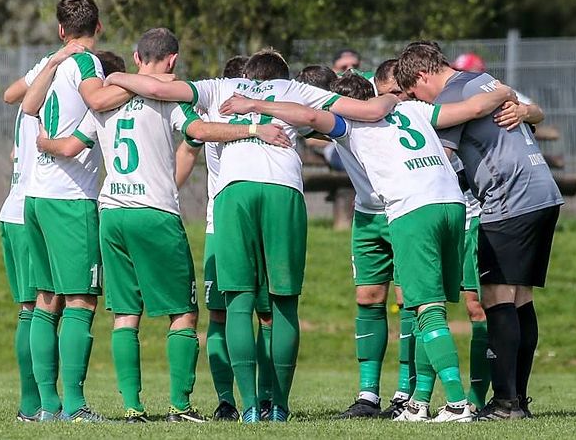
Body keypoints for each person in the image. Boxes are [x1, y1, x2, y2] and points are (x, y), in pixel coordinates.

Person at [106, 48, 400, 422]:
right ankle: (278, 406)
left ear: (248, 75)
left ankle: (245, 407)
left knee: (237, 304)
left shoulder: (221, 86)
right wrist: (393, 98)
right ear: (282, 74)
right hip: (282, 188)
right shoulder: (295, 89)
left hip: (232, 193)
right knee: (283, 303)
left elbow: (159, 90)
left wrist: (115, 77)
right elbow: (362, 112)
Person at [218, 70, 516, 423]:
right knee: (428, 304)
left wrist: (253, 104)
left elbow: (311, 116)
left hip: (411, 208)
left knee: (425, 307)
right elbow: (473, 108)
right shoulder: (413, 108)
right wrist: (505, 91)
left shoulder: (350, 124)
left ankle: (455, 404)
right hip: (453, 203)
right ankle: (417, 402)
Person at [38, 29, 290, 423]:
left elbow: (70, 146)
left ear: (137, 57)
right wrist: (254, 130)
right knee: (184, 313)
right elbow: (199, 131)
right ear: (172, 60)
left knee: (125, 314)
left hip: (112, 213)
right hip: (154, 212)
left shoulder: (103, 100)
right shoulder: (166, 98)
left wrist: (43, 143)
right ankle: (179, 407)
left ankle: (132, 408)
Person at [395, 42, 564, 420]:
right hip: (543, 192)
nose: (419, 102)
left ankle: (505, 403)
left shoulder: (451, 98)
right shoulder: (481, 80)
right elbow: (531, 109)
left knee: (496, 298)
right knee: (520, 299)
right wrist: (523, 107)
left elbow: (440, 158)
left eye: (414, 94)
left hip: (509, 198)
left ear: (422, 78)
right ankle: (517, 401)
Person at [18, 0, 133, 422]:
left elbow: (27, 106)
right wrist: (139, 84)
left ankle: (47, 407)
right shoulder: (87, 63)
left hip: (36, 196)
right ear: (98, 27)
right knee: (81, 302)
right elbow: (98, 101)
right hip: (70, 199)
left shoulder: (56, 62)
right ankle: (75, 406)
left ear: (61, 30)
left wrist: (52, 60)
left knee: (46, 300)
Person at [173, 54, 278, 421]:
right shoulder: (228, 115)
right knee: (256, 314)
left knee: (232, 314)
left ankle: (239, 401)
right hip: (231, 222)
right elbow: (189, 147)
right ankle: (250, 399)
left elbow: (188, 147)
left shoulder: (224, 113)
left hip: (227, 224)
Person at [0, 43, 85, 421]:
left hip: (13, 210)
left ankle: (33, 405)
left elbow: (10, 93)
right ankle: (38, 404)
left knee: (31, 310)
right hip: (36, 206)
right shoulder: (62, 95)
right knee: (42, 308)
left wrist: (48, 64)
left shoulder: (34, 94)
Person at [326, 60, 416, 420]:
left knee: (409, 301)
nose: (399, 96)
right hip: (366, 216)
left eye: (402, 91)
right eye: (393, 91)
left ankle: (407, 393)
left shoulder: (407, 112)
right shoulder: (350, 107)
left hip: (404, 211)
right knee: (368, 297)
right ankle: (367, 395)